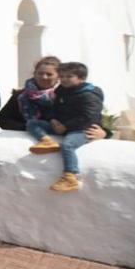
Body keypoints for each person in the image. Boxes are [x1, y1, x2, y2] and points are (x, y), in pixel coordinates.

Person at [27, 62, 107, 192]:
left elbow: (88, 116)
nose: (64, 79)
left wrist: (66, 126)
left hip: (83, 129)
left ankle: (70, 176)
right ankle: (47, 141)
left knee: (67, 145)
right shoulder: (61, 91)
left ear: (81, 78)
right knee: (32, 123)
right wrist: (53, 119)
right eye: (62, 76)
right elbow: (55, 107)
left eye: (69, 76)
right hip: (62, 126)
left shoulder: (89, 95)